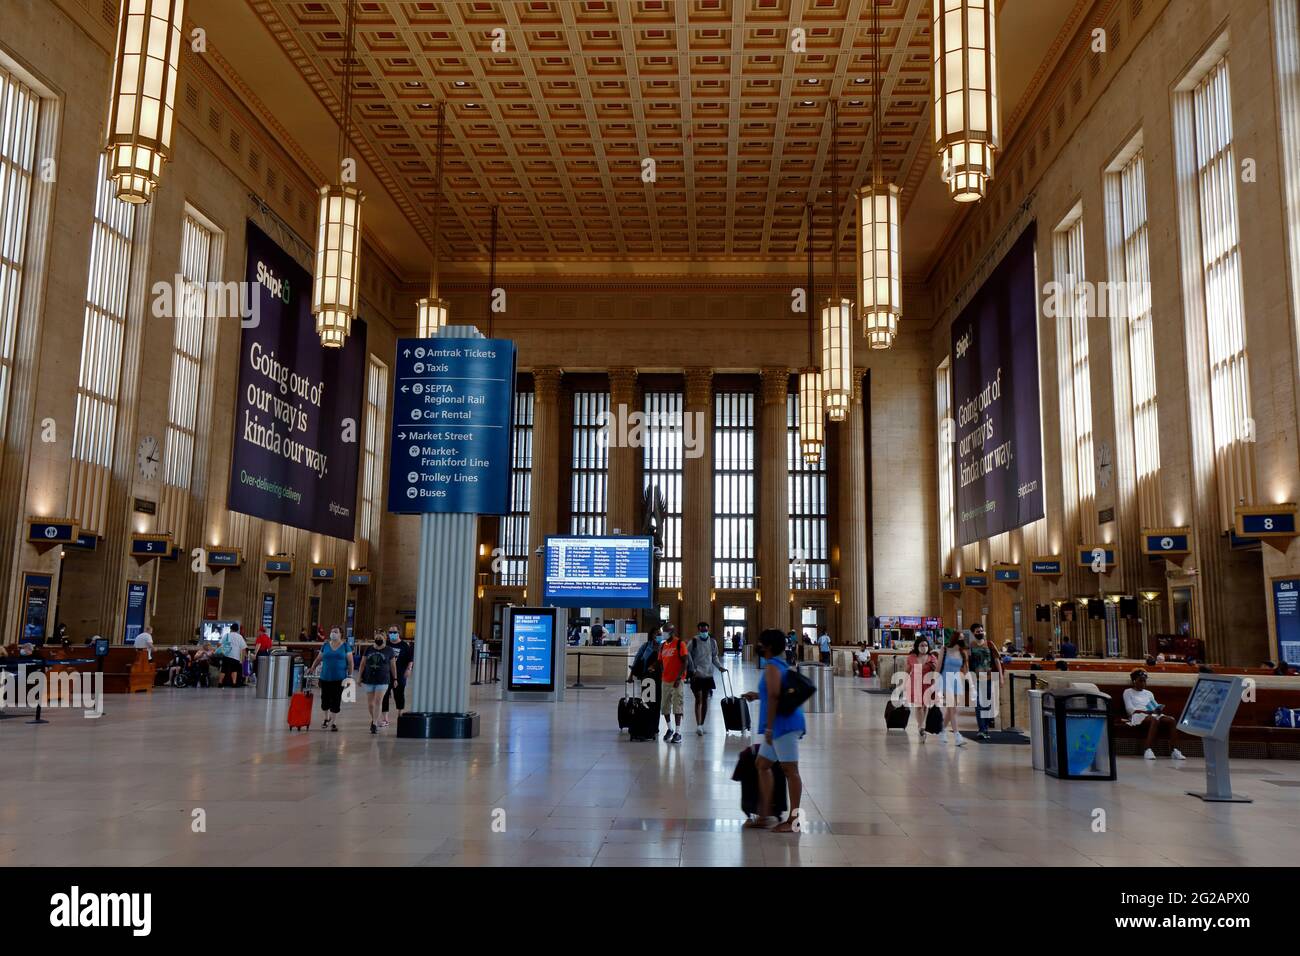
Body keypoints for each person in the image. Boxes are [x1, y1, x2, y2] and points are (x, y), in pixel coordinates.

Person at [741, 628, 806, 833]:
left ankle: (794, 820)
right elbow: (772, 692)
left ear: (768, 646)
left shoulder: (771, 666)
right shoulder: (777, 664)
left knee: (790, 771)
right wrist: (756, 695)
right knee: (762, 764)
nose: (758, 646)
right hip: (779, 724)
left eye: (761, 642)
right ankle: (765, 814)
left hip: (782, 725)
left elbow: (776, 697)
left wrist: (769, 727)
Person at [1123, 669, 1185, 760]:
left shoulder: (1149, 693)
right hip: (1137, 715)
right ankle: (1147, 749)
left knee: (1171, 720)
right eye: (1140, 680)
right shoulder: (1128, 692)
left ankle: (1174, 750)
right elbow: (1129, 709)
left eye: (1144, 681)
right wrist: (1147, 712)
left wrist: (1158, 709)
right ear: (1134, 681)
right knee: (1154, 719)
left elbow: (1155, 706)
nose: (1143, 683)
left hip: (1151, 714)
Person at [687, 622, 726, 736]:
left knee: (705, 699)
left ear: (708, 630)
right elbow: (687, 654)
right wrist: (692, 669)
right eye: (702, 631)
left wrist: (720, 667)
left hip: (708, 675)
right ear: (698, 630)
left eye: (705, 630)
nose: (704, 632)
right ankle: (698, 725)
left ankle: (702, 724)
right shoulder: (693, 641)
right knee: (698, 698)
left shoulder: (712, 642)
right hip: (697, 675)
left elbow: (714, 656)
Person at [310, 627, 352, 732]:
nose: (333, 633)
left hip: (339, 678)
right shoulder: (325, 645)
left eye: (336, 632)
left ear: (341, 634)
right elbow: (319, 658)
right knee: (325, 700)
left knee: (336, 699)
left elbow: (350, 662)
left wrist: (350, 676)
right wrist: (312, 667)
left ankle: (333, 722)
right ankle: (326, 718)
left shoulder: (346, 646)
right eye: (332, 631)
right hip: (325, 677)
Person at [657, 625, 691, 743]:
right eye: (663, 632)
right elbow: (660, 661)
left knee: (677, 705)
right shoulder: (662, 646)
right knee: (665, 706)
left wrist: (678, 678)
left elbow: (685, 661)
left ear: (671, 632)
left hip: (677, 680)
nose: (663, 634)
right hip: (665, 680)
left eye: (665, 632)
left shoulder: (679, 643)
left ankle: (678, 732)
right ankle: (670, 729)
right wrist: (663, 670)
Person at [357, 631, 393, 734]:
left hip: (383, 679)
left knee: (378, 701)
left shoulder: (389, 650)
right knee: (370, 704)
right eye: (376, 637)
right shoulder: (369, 649)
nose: (378, 639)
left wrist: (394, 678)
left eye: (380, 637)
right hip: (369, 679)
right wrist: (359, 677)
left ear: (385, 638)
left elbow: (392, 665)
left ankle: (374, 723)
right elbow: (362, 664)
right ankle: (374, 719)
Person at [967, 627, 1000, 739]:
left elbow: (996, 660)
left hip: (989, 677)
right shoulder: (971, 646)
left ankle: (985, 728)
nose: (980, 633)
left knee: (987, 704)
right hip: (976, 678)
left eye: (981, 631)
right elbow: (968, 662)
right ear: (973, 633)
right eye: (977, 631)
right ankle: (981, 729)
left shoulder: (990, 644)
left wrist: (1001, 676)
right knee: (978, 704)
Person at [936, 634, 969, 746]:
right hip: (945, 679)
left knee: (953, 710)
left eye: (963, 637)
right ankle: (957, 735)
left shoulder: (962, 652)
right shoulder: (944, 650)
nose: (962, 639)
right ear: (954, 638)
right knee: (952, 707)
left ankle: (942, 730)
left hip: (956, 681)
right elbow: (939, 665)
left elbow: (965, 670)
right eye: (960, 637)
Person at [904, 637, 937, 741]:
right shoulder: (911, 657)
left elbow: (936, 672)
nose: (924, 647)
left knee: (925, 706)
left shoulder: (932, 657)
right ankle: (921, 726)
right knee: (918, 706)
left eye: (926, 645)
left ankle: (922, 724)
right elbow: (907, 671)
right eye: (922, 645)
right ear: (917, 646)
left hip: (928, 683)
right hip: (916, 683)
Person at [382, 627, 413, 723]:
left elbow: (410, 659)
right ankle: (385, 718)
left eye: (394, 632)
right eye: (390, 632)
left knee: (399, 694)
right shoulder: (386, 644)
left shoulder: (404, 645)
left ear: (398, 632)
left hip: (400, 674)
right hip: (386, 674)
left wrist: (409, 669)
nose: (392, 634)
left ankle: (400, 713)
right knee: (384, 695)